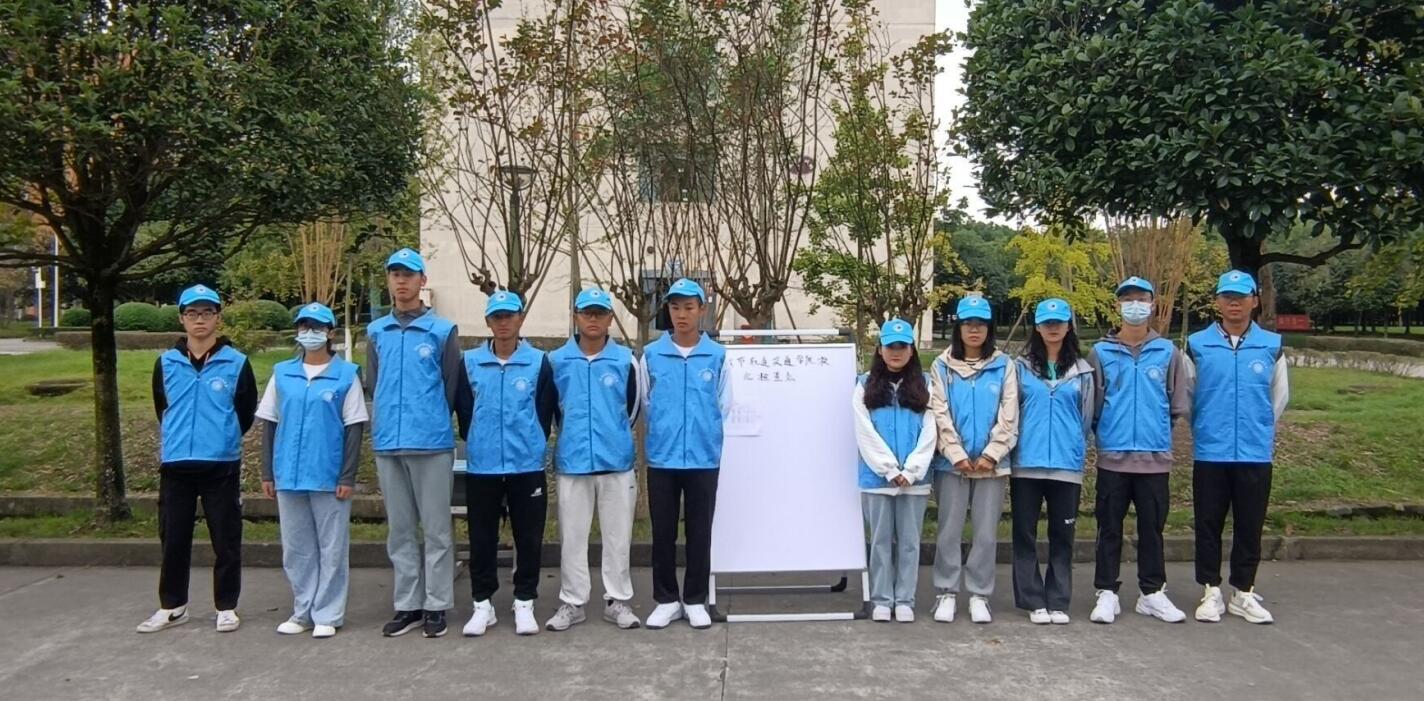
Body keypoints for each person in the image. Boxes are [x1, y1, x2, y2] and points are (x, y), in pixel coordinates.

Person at [137, 284, 258, 634]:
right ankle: (173, 605)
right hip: (176, 464)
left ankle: (226, 606)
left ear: (218, 317)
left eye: (207, 312)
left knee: (226, 539)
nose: (199, 319)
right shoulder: (166, 363)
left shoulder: (236, 363)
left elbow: (245, 411)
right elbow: (162, 407)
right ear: (182, 319)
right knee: (173, 538)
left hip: (220, 463)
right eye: (192, 313)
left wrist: (222, 437)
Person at [366, 248, 469, 638]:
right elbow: (375, 383)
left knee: (437, 530)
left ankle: (437, 604)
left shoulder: (442, 330)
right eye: (395, 274)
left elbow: (451, 386)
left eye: (408, 274)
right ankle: (408, 603)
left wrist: (430, 420)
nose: (401, 281)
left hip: (431, 443)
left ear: (422, 280)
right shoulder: (377, 332)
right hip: (389, 443)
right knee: (401, 530)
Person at [257, 302, 368, 638]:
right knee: (296, 548)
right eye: (304, 327)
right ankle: (302, 610)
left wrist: (347, 476)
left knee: (332, 548)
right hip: (288, 474)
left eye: (318, 328)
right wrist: (267, 472)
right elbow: (270, 423)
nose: (310, 333)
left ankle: (328, 614)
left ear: (330, 333)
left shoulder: (346, 375)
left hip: (328, 474)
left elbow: (354, 427)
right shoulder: (282, 373)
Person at [1183, 270, 1288, 625]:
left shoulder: (1271, 345)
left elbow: (1278, 397)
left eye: (1241, 297)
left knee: (1249, 524)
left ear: (1254, 301)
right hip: (1211, 450)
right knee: (1208, 523)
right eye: (1227, 296)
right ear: (1217, 302)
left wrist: (1258, 427)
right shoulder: (1197, 345)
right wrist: (1206, 426)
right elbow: (1188, 395)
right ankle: (1210, 589)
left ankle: (1243, 590)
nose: (1234, 303)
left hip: (1254, 451)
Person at [1086, 277, 1189, 625]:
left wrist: (1153, 433)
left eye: (1141, 299)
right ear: (1118, 306)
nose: (1135, 305)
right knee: (1108, 527)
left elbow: (1175, 406)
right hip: (1113, 458)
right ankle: (1106, 592)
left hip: (1154, 458)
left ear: (1152, 305)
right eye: (1127, 299)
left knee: (1152, 528)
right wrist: (1109, 435)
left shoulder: (1168, 352)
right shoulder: (1100, 353)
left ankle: (1152, 592)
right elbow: (1093, 406)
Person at [544, 288, 643, 632]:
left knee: (618, 536)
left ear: (610, 319)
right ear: (576, 316)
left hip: (616, 460)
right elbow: (552, 407)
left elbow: (632, 407)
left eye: (600, 313)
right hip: (573, 461)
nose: (593, 319)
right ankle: (573, 602)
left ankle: (617, 600)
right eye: (587, 313)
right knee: (572, 536)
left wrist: (612, 433)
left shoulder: (625, 360)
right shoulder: (557, 360)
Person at [459, 290, 557, 637]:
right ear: (488, 322)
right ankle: (482, 604)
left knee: (528, 537)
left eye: (509, 316)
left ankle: (524, 601)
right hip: (483, 466)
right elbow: (465, 411)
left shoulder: (539, 362)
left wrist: (531, 441)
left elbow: (545, 411)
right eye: (497, 317)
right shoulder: (470, 362)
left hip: (525, 465)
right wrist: (480, 438)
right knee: (481, 538)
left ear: (520, 319)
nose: (503, 323)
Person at [637, 278, 732, 630]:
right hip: (662, 457)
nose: (681, 314)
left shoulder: (718, 356)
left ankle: (694, 599)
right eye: (675, 307)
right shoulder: (651, 355)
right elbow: (645, 402)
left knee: (699, 531)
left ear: (702, 310)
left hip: (703, 458)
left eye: (689, 307)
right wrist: (666, 429)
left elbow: (725, 404)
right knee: (662, 532)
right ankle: (666, 599)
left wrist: (703, 433)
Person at [927, 294, 1019, 624]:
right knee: (948, 531)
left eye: (980, 324)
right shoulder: (941, 366)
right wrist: (956, 454)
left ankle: (980, 593)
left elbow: (1009, 413)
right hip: (952, 465)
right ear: (959, 328)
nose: (974, 330)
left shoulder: (1004, 365)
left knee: (985, 533)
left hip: (992, 466)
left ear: (989, 328)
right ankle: (947, 591)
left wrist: (993, 453)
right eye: (968, 324)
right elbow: (938, 413)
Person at [1011, 298, 1096, 625]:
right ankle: (1033, 600)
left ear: (1068, 326)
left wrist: (1074, 444)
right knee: (1025, 533)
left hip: (1066, 465)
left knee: (1062, 535)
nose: (1053, 328)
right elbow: (1013, 410)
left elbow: (1086, 417)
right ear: (1037, 327)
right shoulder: (1020, 368)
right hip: (1026, 463)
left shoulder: (1082, 371)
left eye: (1059, 322)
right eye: (1047, 323)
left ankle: (1058, 599)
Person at [853, 319, 937, 623]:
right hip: (877, 480)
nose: (896, 352)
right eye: (890, 346)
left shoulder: (926, 384)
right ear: (880, 349)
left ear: (912, 350)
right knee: (880, 540)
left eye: (902, 346)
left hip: (915, 480)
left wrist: (911, 470)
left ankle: (904, 599)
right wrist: (888, 469)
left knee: (910, 542)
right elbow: (864, 431)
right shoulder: (864, 385)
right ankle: (881, 599)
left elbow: (931, 430)